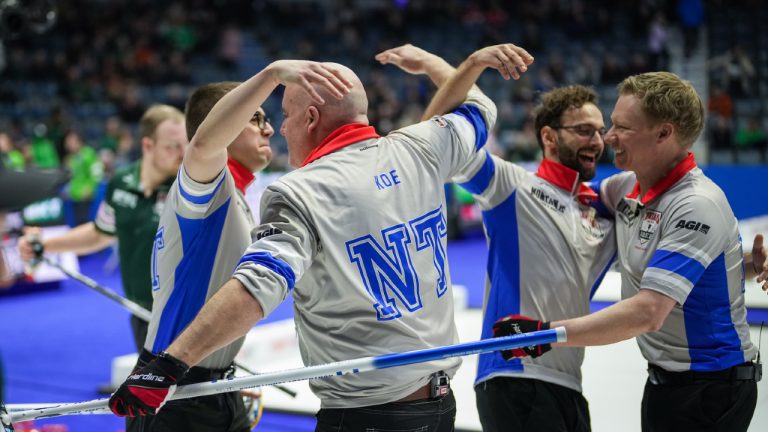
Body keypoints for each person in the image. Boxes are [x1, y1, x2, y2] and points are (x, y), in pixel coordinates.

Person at [109, 43, 533, 431]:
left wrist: (172, 366)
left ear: (310, 118)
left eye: (283, 116)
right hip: (436, 401)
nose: (277, 129)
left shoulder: (298, 190)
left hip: (243, 385)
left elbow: (259, 285)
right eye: (258, 118)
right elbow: (478, 107)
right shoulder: (416, 149)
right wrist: (450, 64)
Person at [495, 72, 763, 432]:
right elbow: (565, 200)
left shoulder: (695, 204)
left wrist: (543, 334)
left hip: (711, 391)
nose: (608, 137)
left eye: (622, 127)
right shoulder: (625, 187)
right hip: (663, 382)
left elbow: (648, 312)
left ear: (664, 133)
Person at [379, 45, 615, 432]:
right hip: (512, 379)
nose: (596, 140)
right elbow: (432, 141)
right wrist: (447, 65)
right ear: (549, 137)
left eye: (600, 131)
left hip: (570, 382)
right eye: (584, 130)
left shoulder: (603, 211)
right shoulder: (511, 185)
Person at [120, 80, 277, 432]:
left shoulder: (233, 193)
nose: (269, 129)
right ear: (225, 123)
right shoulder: (204, 190)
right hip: (174, 394)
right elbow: (204, 143)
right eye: (255, 118)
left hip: (214, 387)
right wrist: (273, 74)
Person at [19, 104, 187, 351]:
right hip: (140, 310)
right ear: (148, 145)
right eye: (172, 147)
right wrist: (46, 244)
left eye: (186, 144)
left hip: (187, 314)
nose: (182, 154)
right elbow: (101, 233)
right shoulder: (121, 183)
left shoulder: (190, 186)